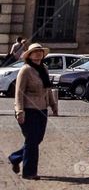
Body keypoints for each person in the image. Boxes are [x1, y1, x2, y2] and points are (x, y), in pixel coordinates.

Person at [8, 43, 58, 180]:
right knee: (32, 140)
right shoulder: (25, 70)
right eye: (35, 52)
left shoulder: (44, 69)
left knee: (37, 139)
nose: (38, 54)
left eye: (40, 51)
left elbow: (47, 89)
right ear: (29, 55)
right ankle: (29, 172)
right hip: (28, 110)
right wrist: (19, 111)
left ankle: (15, 157)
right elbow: (19, 93)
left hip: (42, 110)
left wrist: (53, 105)